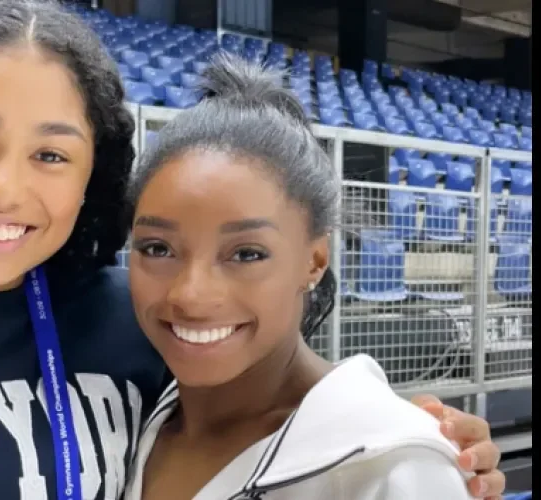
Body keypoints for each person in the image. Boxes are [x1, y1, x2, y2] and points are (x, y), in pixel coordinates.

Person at [0, 1, 504, 499]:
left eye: (51, 155)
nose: (2, 189)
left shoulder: (133, 315)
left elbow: (282, 408)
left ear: (93, 177)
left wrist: (419, 445)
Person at [122, 55, 487, 500]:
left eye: (246, 253)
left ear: (314, 261)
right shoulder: (128, 424)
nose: (191, 295)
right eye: (157, 248)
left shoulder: (391, 465)